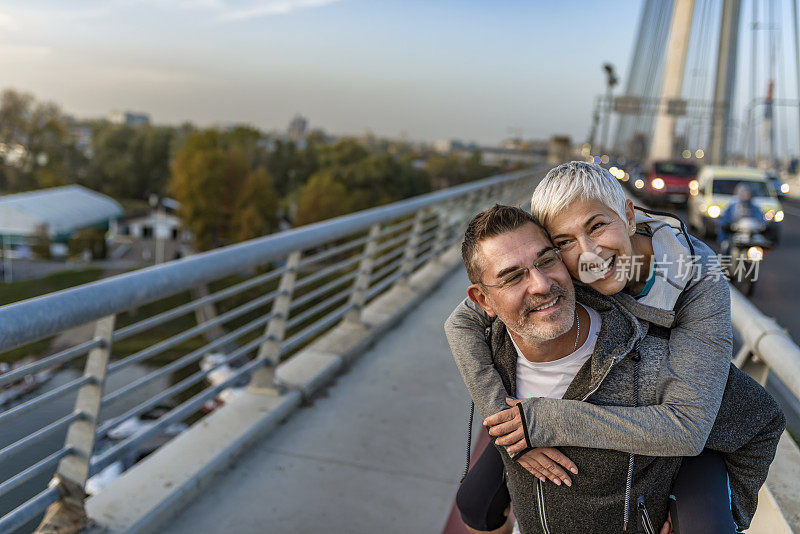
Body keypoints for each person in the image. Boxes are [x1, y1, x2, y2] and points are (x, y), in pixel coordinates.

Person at [446, 163, 784, 534]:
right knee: (475, 502)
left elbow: (689, 427)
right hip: (577, 402)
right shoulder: (554, 271)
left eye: (597, 226)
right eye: (563, 242)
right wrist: (508, 423)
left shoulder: (697, 281)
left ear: (628, 215)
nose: (589, 254)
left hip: (674, 415)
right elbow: (462, 320)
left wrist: (548, 421)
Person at [718, 183, 764, 256]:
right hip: (735, 234)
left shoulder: (755, 208)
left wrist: (763, 225)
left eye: (748, 193)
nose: (746, 196)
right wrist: (728, 225)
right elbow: (724, 220)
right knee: (726, 247)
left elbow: (761, 219)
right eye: (744, 193)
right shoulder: (733, 207)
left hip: (750, 235)